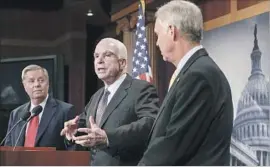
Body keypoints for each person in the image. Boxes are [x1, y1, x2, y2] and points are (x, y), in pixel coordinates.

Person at [138, 0, 234, 165]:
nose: (156, 42)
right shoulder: (194, 71)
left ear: (171, 31)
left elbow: (173, 143)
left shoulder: (198, 76)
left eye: (157, 34)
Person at [61, 38, 159, 166]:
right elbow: (87, 130)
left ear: (122, 63)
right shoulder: (96, 96)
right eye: (96, 56)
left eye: (107, 55)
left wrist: (108, 137)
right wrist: (74, 133)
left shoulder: (141, 89)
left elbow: (150, 123)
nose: (99, 60)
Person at [4, 64, 76, 150]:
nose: (37, 84)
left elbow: (73, 146)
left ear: (48, 83)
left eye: (41, 80)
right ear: (24, 86)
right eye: (31, 81)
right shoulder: (16, 114)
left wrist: (70, 140)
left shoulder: (65, 111)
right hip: (20, 163)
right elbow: (8, 147)